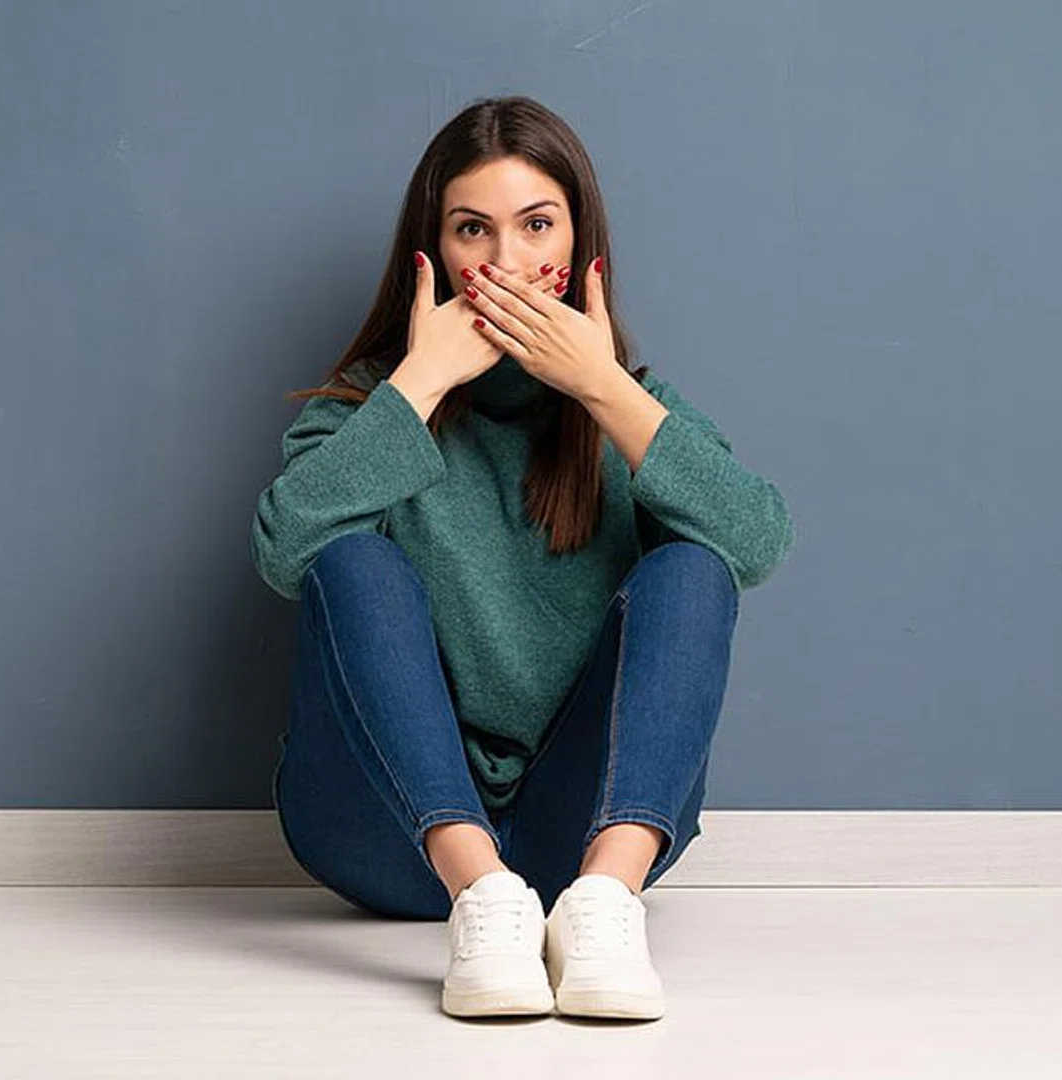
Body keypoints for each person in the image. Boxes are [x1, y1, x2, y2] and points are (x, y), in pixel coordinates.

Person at [248, 95, 796, 1021]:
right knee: (350, 560)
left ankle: (608, 906)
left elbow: (756, 543)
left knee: (695, 564)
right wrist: (420, 381)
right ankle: (483, 896)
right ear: (432, 258)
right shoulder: (367, 409)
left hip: (575, 845)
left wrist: (598, 385)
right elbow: (282, 549)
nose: (504, 264)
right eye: (474, 230)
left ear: (582, 252)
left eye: (535, 225)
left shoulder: (632, 407)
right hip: (391, 839)